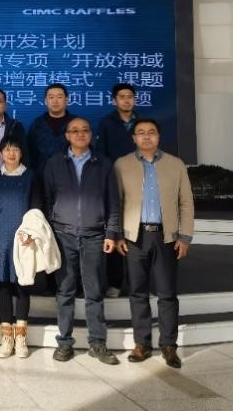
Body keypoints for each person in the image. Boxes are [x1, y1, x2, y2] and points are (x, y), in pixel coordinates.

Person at [115, 118, 195, 370]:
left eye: (151, 132)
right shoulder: (122, 164)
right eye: (141, 132)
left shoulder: (175, 164)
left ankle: (169, 345)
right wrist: (118, 235)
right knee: (137, 292)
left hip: (166, 237)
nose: (146, 136)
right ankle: (142, 343)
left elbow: (186, 202)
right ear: (134, 138)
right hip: (134, 237)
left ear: (159, 137)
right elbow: (117, 203)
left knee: (167, 294)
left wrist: (185, 236)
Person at [41, 117, 121, 365]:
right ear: (66, 135)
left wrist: (111, 233)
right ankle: (64, 343)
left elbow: (113, 202)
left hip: (95, 235)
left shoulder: (103, 163)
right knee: (64, 291)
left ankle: (98, 343)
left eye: (85, 130)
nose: (80, 134)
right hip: (63, 235)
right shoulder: (54, 163)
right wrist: (51, 230)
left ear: (91, 134)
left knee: (94, 292)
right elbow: (47, 198)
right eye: (74, 130)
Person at [0, 135, 42, 359]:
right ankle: (7, 338)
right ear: (0, 153)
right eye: (7, 149)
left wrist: (32, 233)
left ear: (21, 153)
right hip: (1, 238)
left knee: (22, 286)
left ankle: (21, 337)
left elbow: (36, 207)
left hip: (24, 238)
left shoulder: (31, 176)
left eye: (15, 149)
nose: (11, 153)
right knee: (4, 287)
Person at [95, 83, 139, 298]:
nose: (126, 100)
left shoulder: (143, 124)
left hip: (140, 185)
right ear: (114, 100)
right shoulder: (106, 123)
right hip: (114, 183)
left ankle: (138, 282)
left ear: (135, 99)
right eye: (122, 97)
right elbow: (101, 155)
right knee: (115, 231)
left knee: (138, 235)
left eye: (130, 96)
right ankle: (115, 282)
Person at [27, 83, 76, 177]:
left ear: (66, 100)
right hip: (42, 177)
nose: (55, 101)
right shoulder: (37, 125)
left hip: (71, 176)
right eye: (51, 97)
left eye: (59, 97)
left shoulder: (76, 124)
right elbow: (30, 154)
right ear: (46, 101)